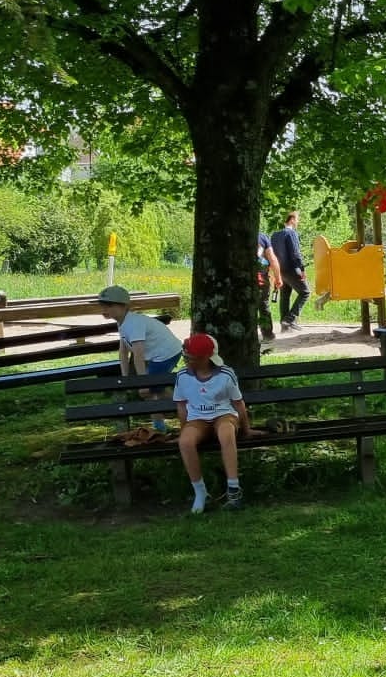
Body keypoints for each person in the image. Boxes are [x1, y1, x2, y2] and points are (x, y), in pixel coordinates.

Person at [173, 333, 251, 513]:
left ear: (205, 358)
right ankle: (201, 493)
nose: (187, 361)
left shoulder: (226, 374)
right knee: (185, 442)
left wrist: (247, 430)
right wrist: (183, 431)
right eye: (186, 356)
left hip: (224, 415)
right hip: (197, 419)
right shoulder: (182, 375)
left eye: (191, 358)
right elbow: (181, 405)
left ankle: (234, 490)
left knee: (226, 432)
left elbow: (238, 403)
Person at [99, 283, 182, 432]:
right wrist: (125, 378)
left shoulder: (133, 323)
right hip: (157, 355)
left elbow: (138, 355)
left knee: (147, 391)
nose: (104, 309)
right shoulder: (122, 322)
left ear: (124, 306)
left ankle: (170, 422)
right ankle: (179, 415)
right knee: (154, 390)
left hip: (166, 354)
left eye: (109, 305)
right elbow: (123, 351)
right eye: (103, 305)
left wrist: (143, 382)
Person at [270, 210, 308, 330]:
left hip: (280, 271)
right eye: (297, 220)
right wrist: (302, 269)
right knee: (305, 292)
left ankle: (285, 327)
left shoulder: (275, 235)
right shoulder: (291, 233)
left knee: (285, 296)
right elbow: (295, 253)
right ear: (292, 220)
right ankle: (290, 319)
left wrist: (275, 272)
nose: (298, 222)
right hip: (291, 269)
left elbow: (272, 254)